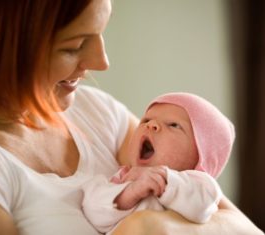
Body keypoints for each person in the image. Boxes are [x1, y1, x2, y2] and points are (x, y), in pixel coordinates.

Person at [0, 1, 264, 235]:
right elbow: (99, 203)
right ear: (2, 46)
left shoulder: (94, 110)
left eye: (101, 33)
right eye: (74, 46)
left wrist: (152, 228)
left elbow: (248, 231)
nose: (102, 62)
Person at [82, 92, 234, 234]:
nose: (151, 124)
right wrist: (128, 194)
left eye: (173, 125)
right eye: (146, 120)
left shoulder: (201, 185)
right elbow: (94, 213)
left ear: (201, 155)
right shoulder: (123, 179)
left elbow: (201, 208)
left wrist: (165, 180)